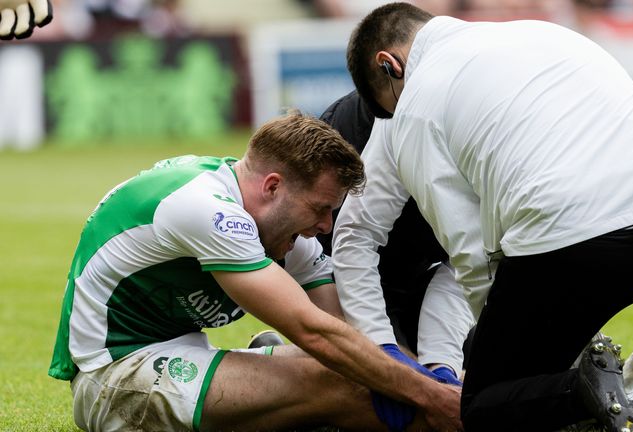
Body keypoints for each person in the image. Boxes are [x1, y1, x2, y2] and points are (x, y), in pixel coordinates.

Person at [337, 2, 633, 431]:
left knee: (481, 407)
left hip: (570, 245)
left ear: (390, 65)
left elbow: (470, 253)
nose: (393, 118)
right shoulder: (544, 33)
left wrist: (510, 359)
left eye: (389, 105)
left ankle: (586, 390)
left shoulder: (415, 107)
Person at [47, 112, 462, 432]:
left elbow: (350, 330)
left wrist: (434, 381)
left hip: (184, 351)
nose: (326, 227)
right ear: (273, 187)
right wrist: (436, 399)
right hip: (115, 377)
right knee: (339, 382)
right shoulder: (206, 210)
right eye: (320, 209)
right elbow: (316, 333)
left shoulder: (282, 229)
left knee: (361, 367)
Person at [318, 90, 476, 380]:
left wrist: (442, 362)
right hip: (342, 270)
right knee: (376, 382)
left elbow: (471, 260)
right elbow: (353, 241)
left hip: (418, 271)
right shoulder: (373, 125)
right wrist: (385, 355)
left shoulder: (492, 137)